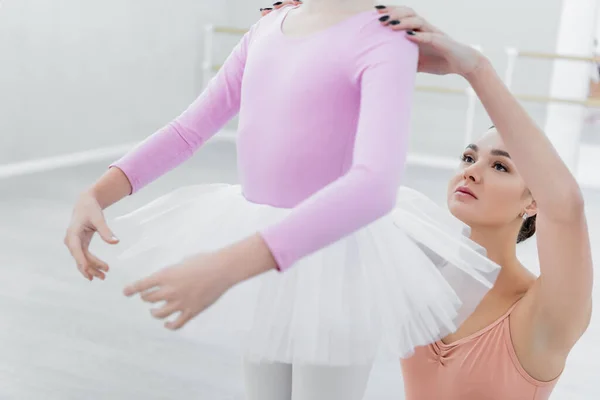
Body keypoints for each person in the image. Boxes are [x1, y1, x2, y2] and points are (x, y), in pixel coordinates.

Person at [63, 2, 495, 400]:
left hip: (336, 257)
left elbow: (373, 186)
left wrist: (224, 265)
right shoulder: (267, 27)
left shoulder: (384, 36)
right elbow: (187, 131)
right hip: (261, 252)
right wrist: (98, 193)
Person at [260, 2, 596, 399]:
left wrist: (477, 69)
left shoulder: (545, 312)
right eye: (470, 158)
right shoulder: (423, 273)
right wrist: (300, 43)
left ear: (532, 202)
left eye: (500, 167)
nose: (471, 171)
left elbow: (567, 205)